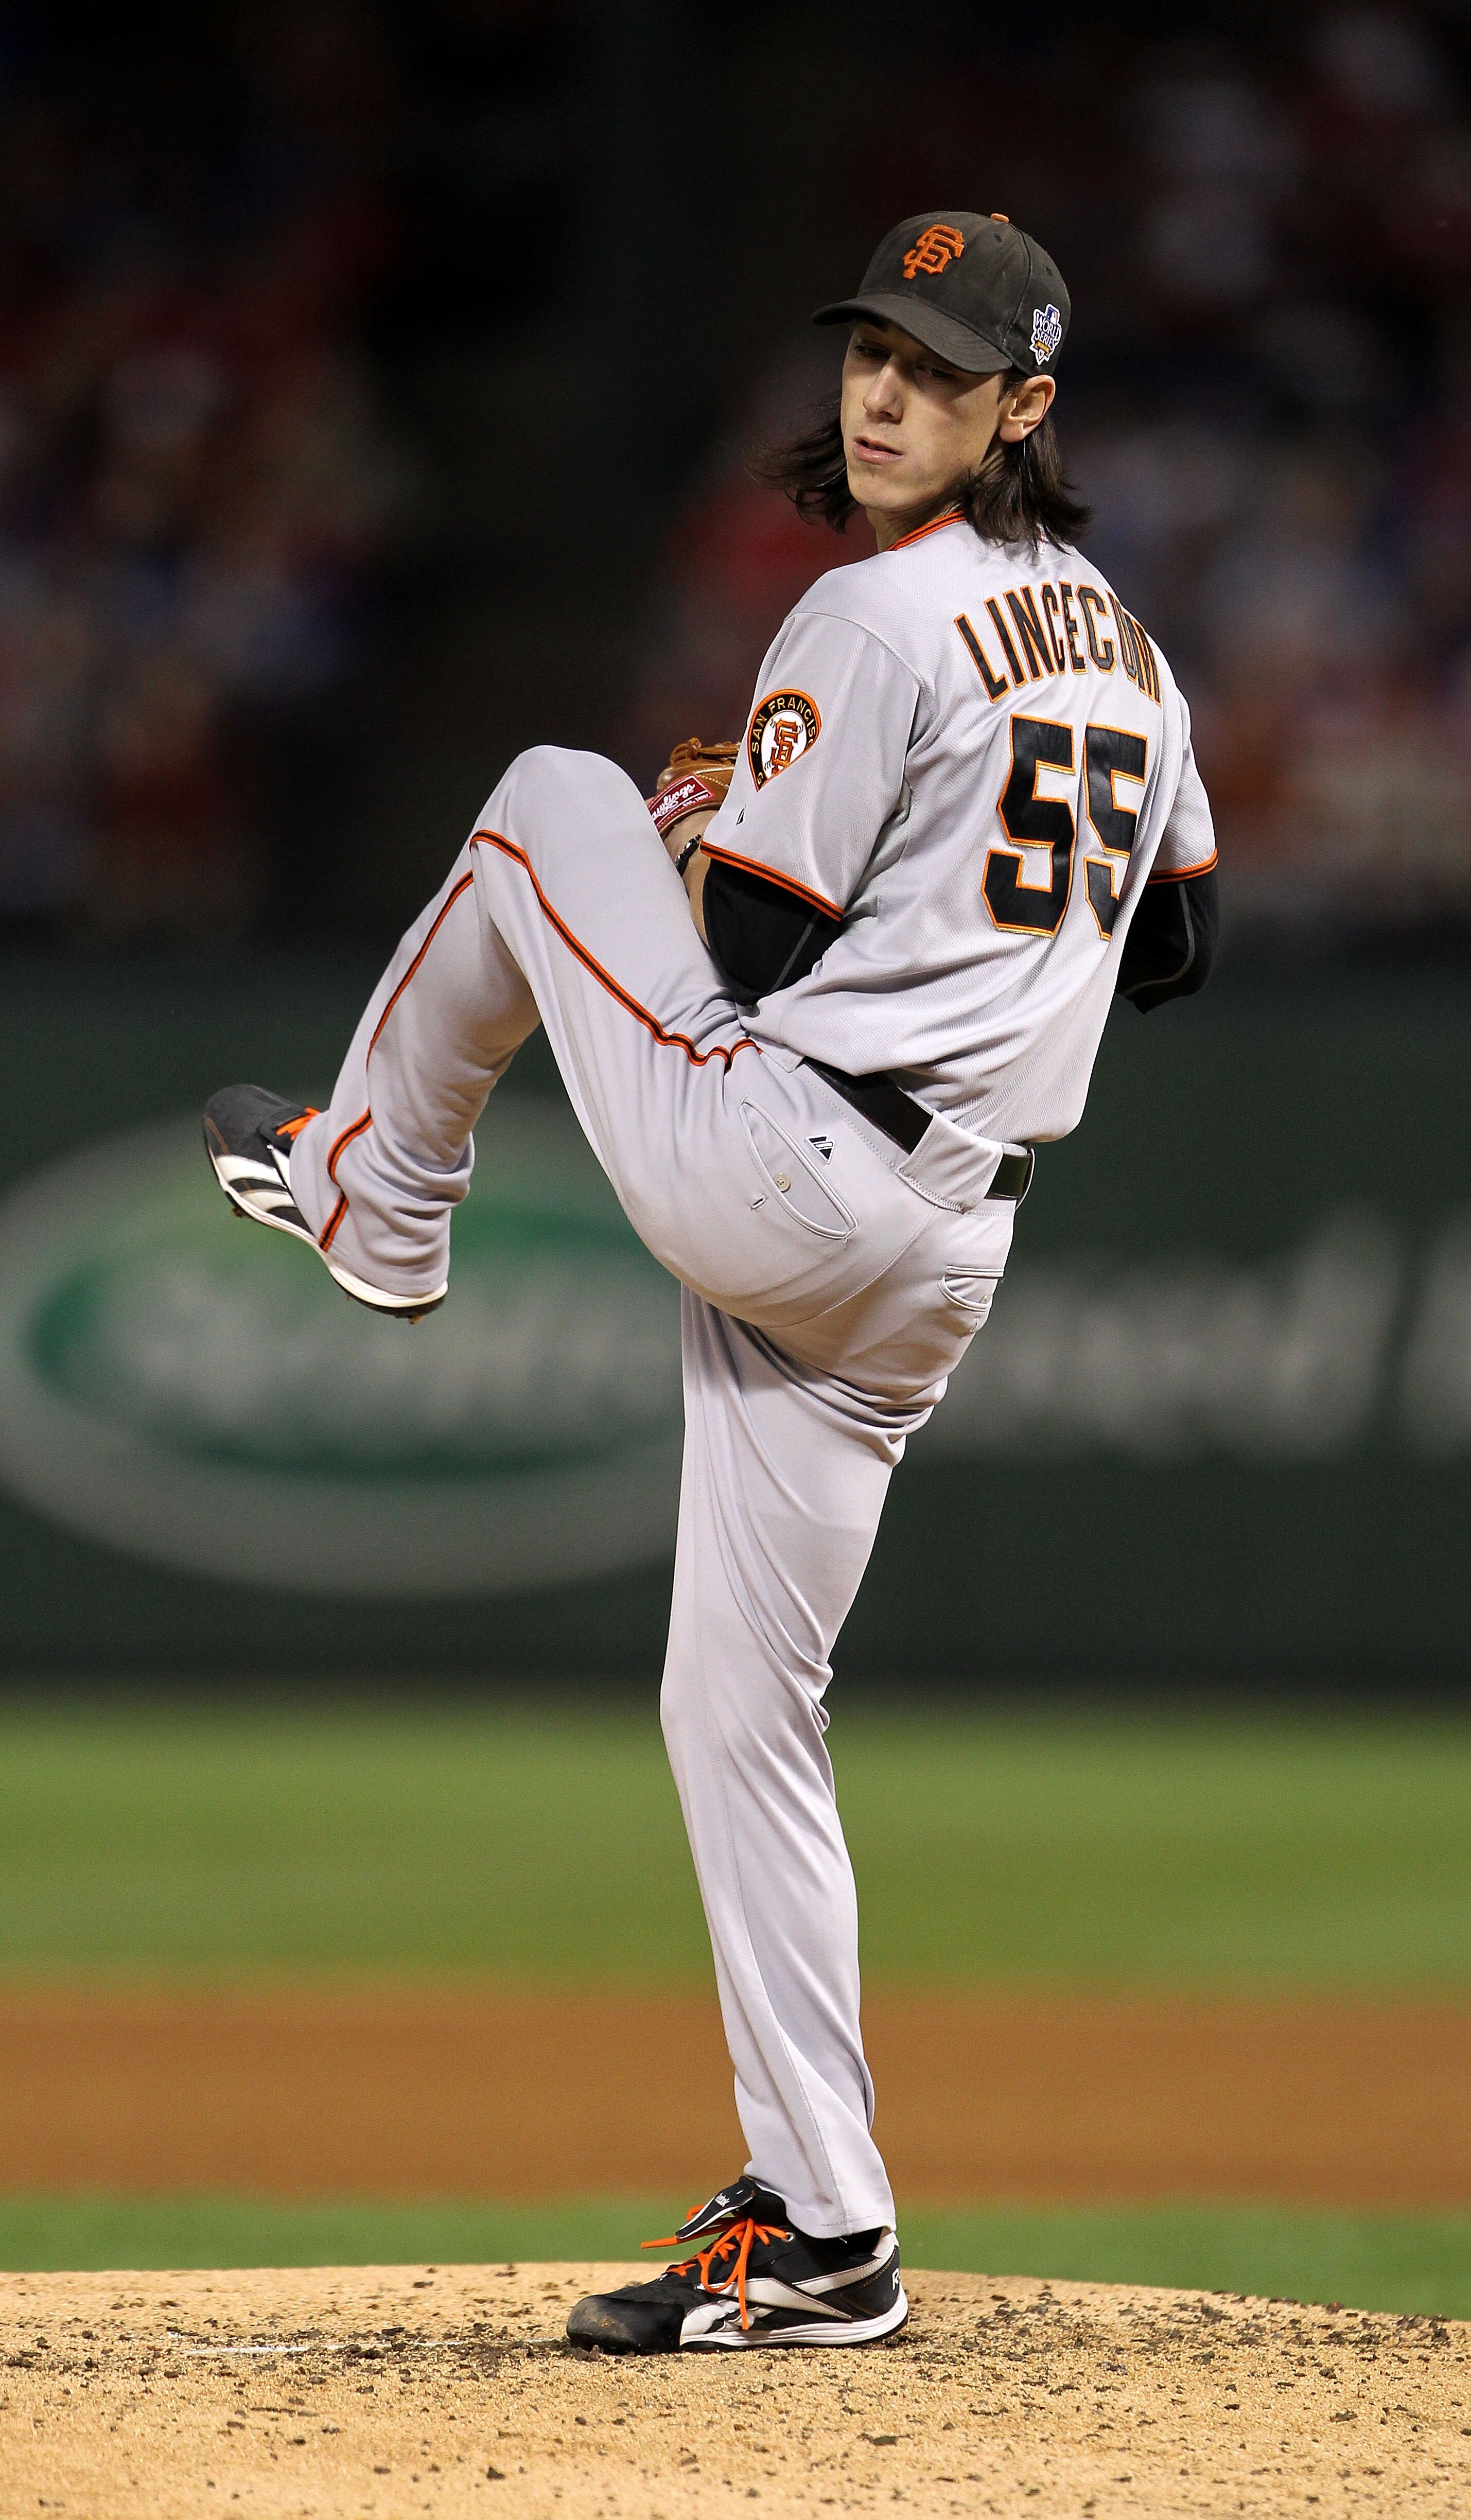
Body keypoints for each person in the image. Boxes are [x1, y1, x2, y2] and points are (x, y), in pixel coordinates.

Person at [202, 210, 1218, 2353]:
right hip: (946, 1250)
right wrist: (953, 934)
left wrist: (694, 829)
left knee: (547, 801)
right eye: (870, 351)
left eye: (936, 371)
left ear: (1023, 408)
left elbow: (747, 951)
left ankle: (374, 1192)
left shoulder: (875, 613)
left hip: (807, 1172)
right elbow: (1183, 941)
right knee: (739, 1715)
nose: (880, 395)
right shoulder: (1128, 643)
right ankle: (831, 2235)